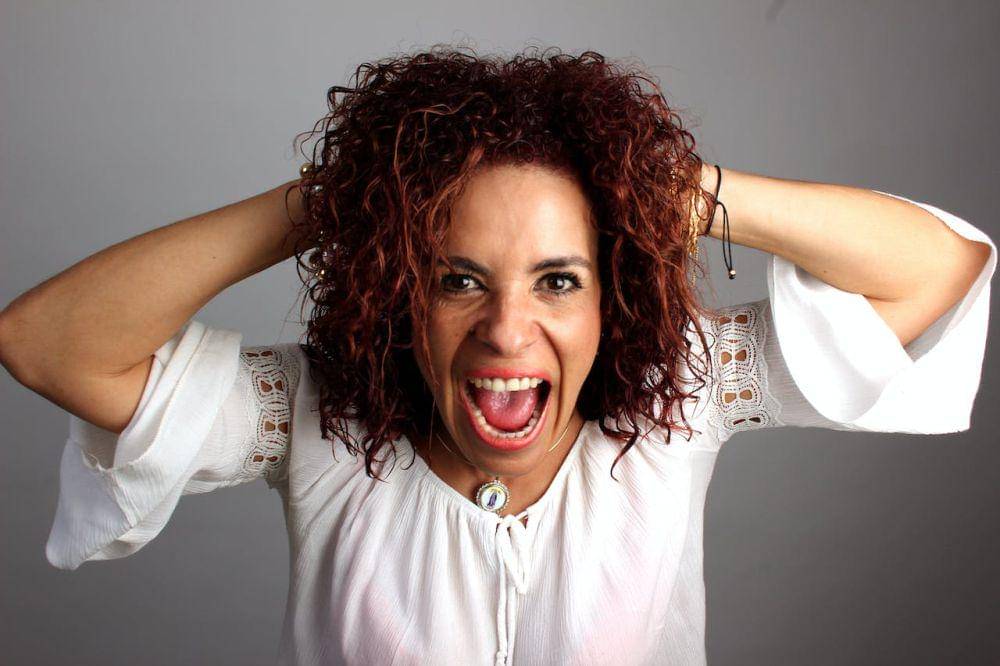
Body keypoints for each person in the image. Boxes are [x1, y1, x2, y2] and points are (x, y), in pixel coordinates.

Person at [0, 47, 994, 666]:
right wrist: (337, 200)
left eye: (558, 280)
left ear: (614, 296)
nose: (507, 332)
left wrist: (680, 190)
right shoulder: (316, 416)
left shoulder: (682, 393)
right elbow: (43, 344)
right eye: (458, 278)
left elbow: (936, 271)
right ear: (399, 288)